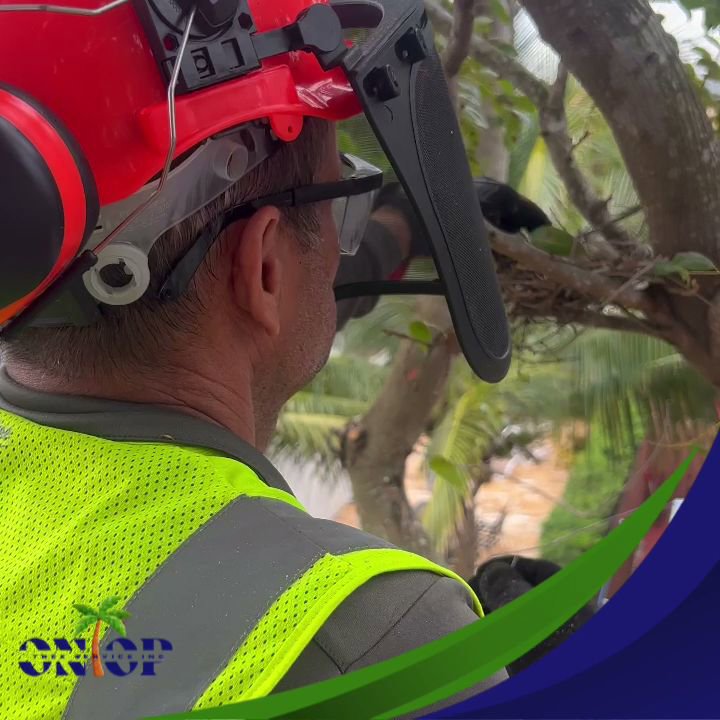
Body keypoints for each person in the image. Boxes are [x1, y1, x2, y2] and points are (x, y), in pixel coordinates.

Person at [0, 1, 547, 717]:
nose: (337, 244)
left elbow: (231, 300)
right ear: (262, 269)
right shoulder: (369, 636)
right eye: (336, 201)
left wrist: (399, 230)